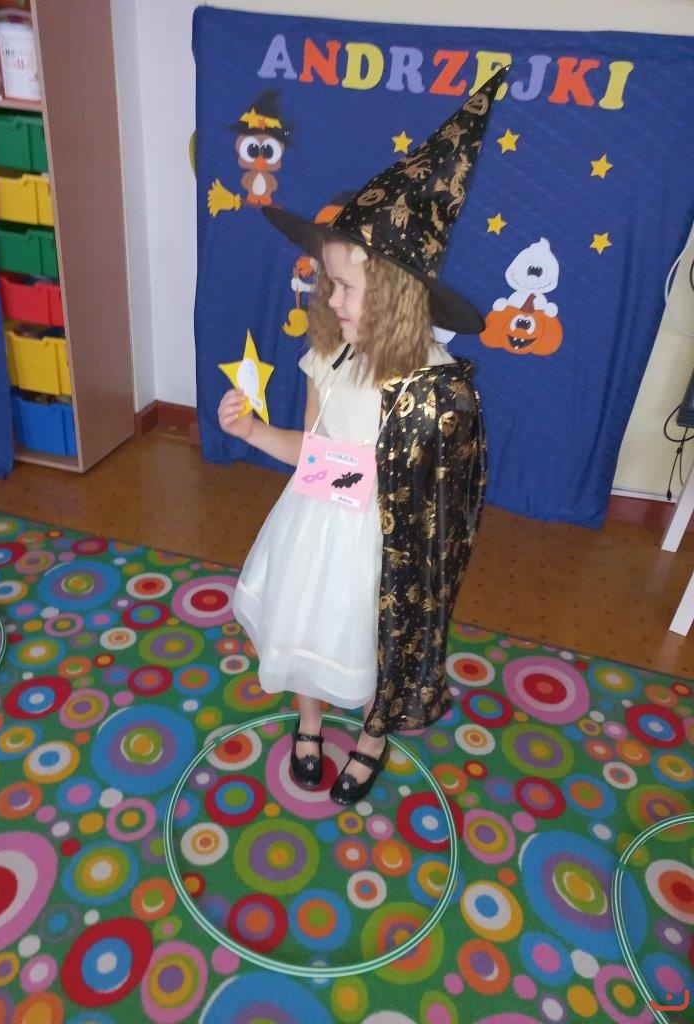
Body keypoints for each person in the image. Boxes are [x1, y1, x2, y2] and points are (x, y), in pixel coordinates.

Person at [218, 68, 506, 805]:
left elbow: (431, 508)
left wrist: (340, 473)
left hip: (384, 551)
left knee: (376, 645)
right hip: (314, 527)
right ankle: (310, 723)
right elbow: (315, 456)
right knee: (308, 628)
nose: (331, 298)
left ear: (397, 294)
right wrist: (252, 431)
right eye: (329, 282)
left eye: (346, 287)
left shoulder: (436, 389)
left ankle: (374, 733)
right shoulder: (332, 355)